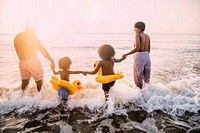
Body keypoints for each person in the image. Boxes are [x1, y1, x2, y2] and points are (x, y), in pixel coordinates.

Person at [14, 25, 55, 92]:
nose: (36, 31)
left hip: (22, 62)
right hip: (33, 62)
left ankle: (21, 99)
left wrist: (23, 60)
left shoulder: (17, 36)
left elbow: (17, 51)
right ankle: (39, 100)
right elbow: (42, 50)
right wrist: (51, 60)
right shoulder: (33, 37)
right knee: (39, 83)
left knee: (24, 84)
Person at [122, 21, 151, 89]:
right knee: (147, 79)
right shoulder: (147, 36)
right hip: (147, 56)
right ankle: (149, 95)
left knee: (138, 78)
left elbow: (137, 48)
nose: (134, 30)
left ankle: (139, 98)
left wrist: (126, 54)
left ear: (139, 28)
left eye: (135, 28)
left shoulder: (137, 35)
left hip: (140, 56)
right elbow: (149, 49)